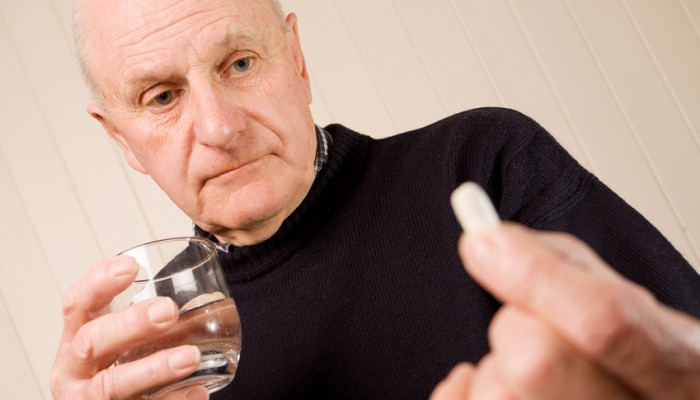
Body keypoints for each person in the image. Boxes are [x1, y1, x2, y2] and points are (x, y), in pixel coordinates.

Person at [50, 0, 700, 399]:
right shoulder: (154, 352)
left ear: (297, 60)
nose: (221, 130)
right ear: (123, 142)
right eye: (162, 98)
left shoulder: (482, 165)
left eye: (240, 64)